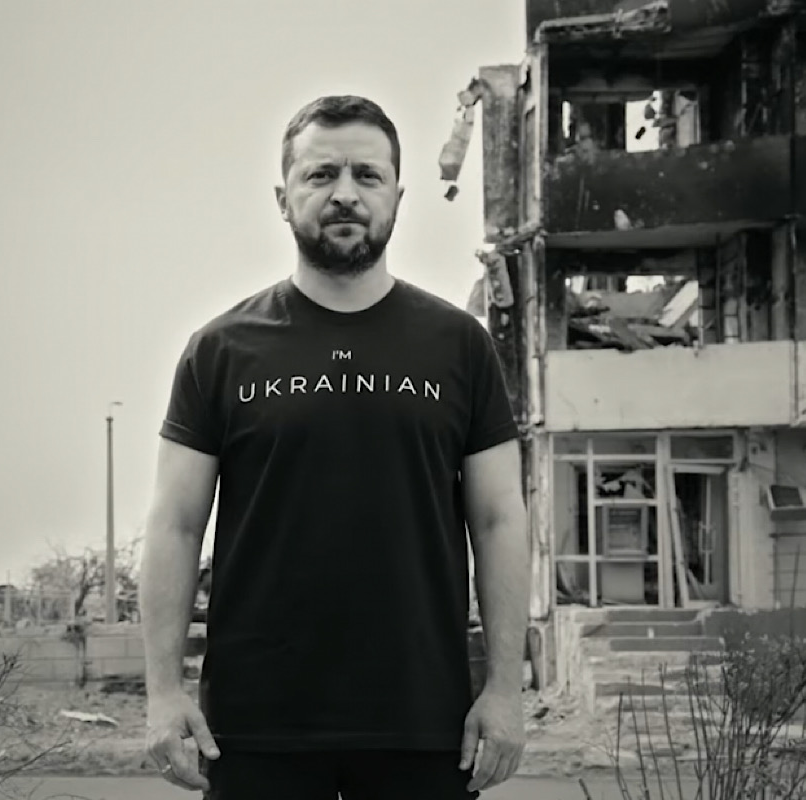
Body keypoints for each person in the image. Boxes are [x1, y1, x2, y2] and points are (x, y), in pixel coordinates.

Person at [140, 95, 530, 799]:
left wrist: (505, 690)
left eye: (367, 175)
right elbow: (174, 524)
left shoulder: (460, 347)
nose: (345, 193)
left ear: (397, 197)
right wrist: (163, 691)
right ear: (282, 198)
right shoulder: (219, 351)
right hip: (255, 728)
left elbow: (500, 519)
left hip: (425, 721)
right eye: (321, 174)